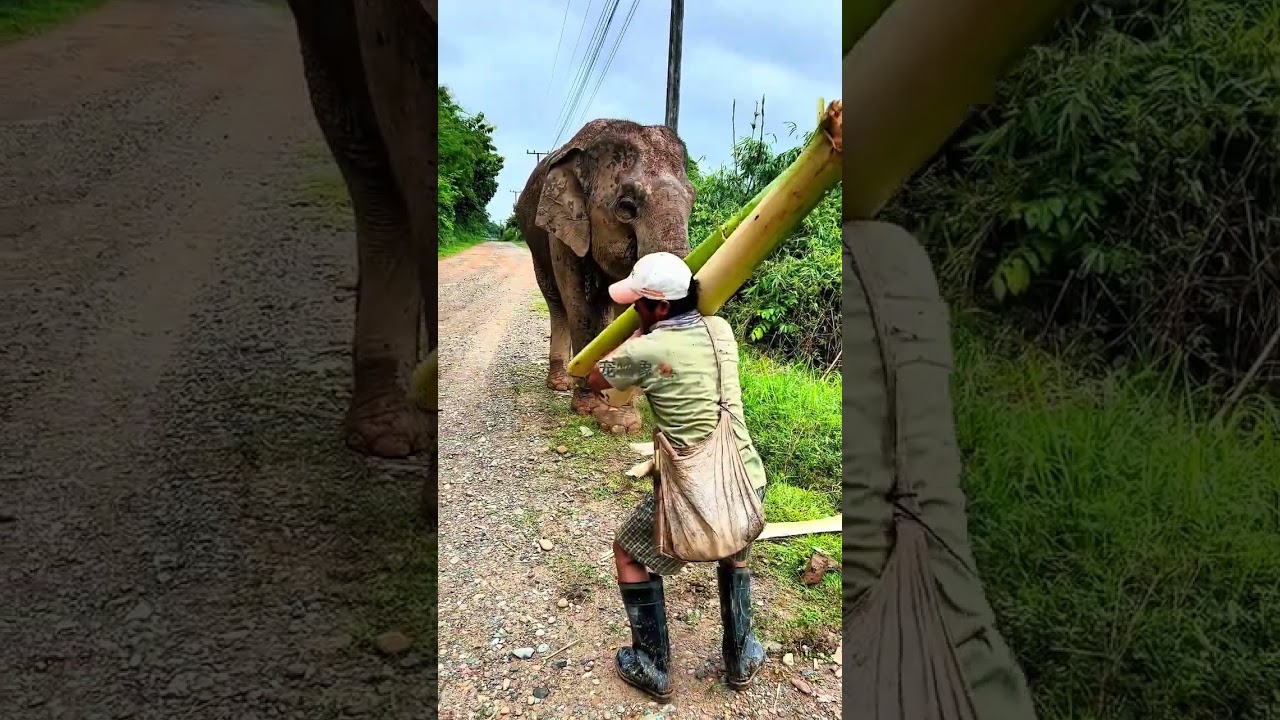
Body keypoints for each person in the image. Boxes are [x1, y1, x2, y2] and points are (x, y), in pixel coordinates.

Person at [583, 251, 769, 701]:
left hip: (696, 493)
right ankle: (741, 656)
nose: (632, 311)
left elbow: (594, 380)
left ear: (660, 308)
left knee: (628, 552)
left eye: (638, 304)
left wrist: (637, 335)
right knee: (734, 549)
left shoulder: (649, 351)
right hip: (745, 477)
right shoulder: (720, 329)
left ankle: (652, 664)